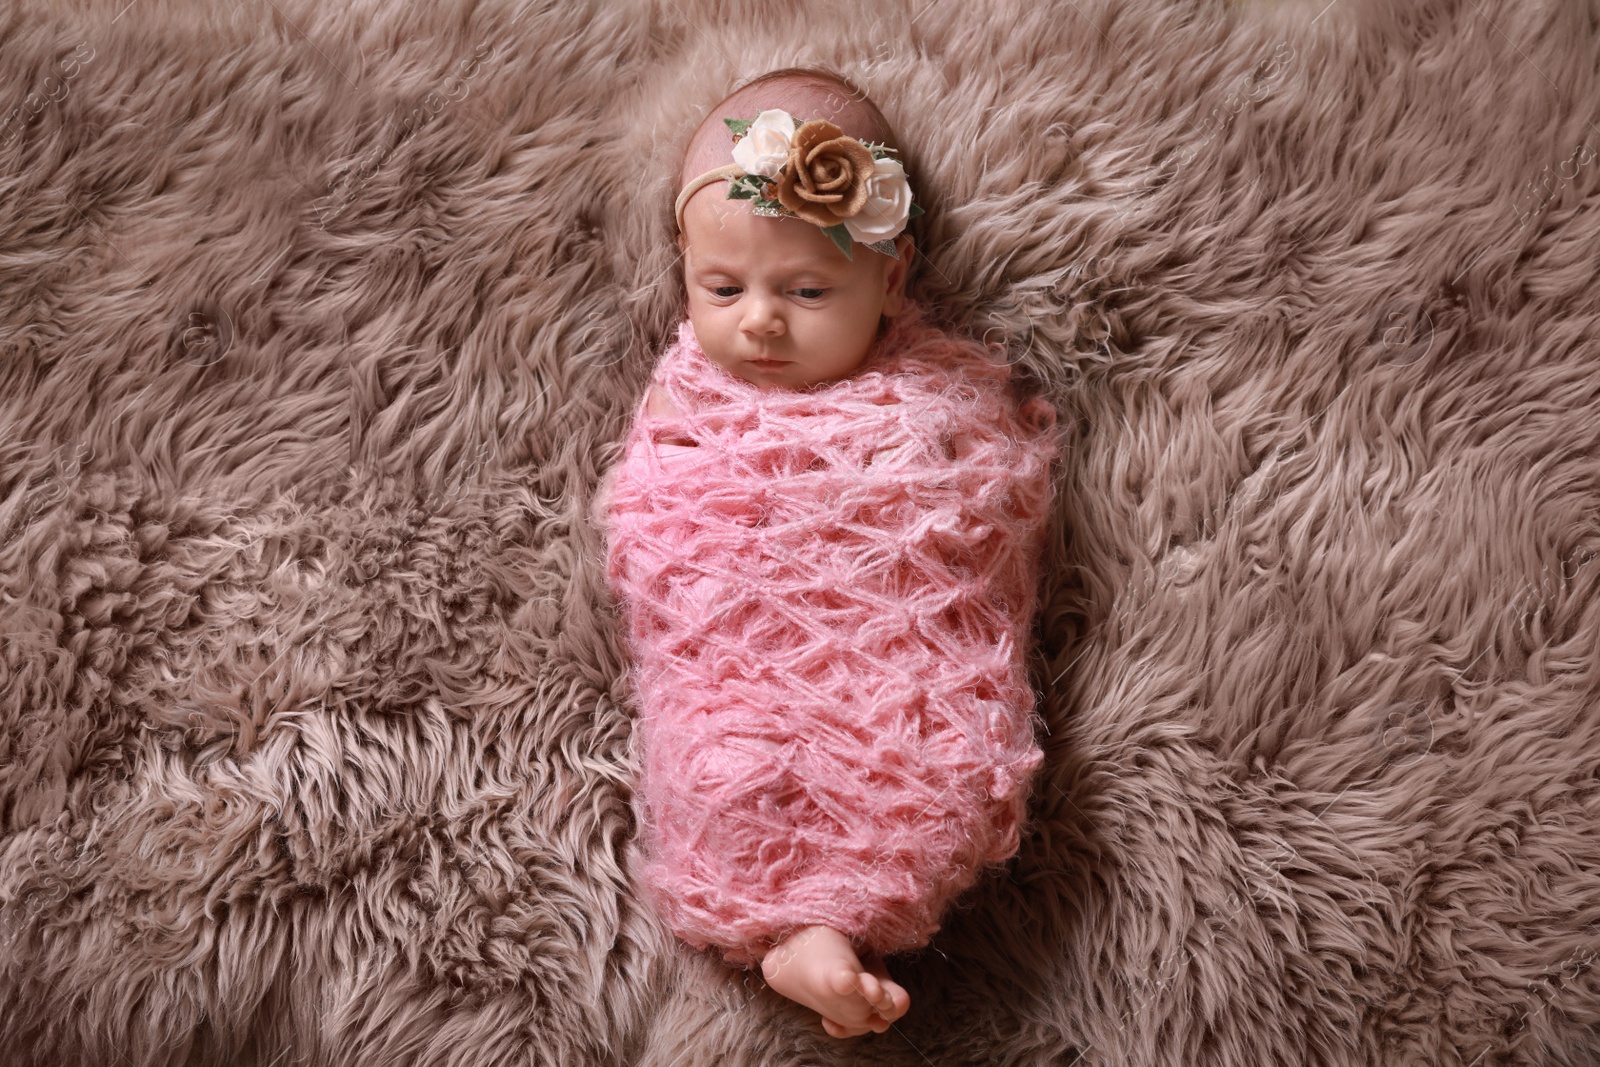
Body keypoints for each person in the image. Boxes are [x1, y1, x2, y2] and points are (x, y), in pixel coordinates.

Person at [593, 67, 1059, 1040]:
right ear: (685, 270)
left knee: (936, 772)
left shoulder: (939, 390)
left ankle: (839, 925)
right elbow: (651, 520)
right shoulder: (691, 393)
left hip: (890, 666)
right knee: (727, 766)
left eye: (806, 289)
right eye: (721, 287)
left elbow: (987, 512)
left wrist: (885, 533)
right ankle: (794, 934)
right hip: (741, 667)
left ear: (889, 281)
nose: (758, 317)